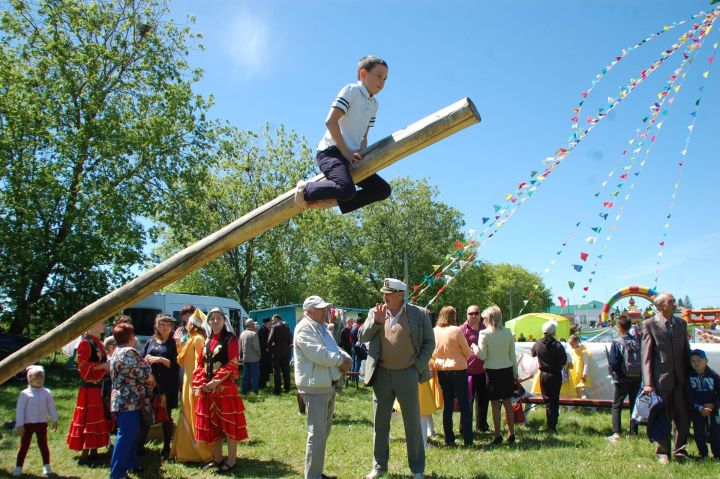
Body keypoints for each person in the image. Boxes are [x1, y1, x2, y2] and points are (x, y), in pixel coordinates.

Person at [295, 56, 391, 214]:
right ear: (363, 74)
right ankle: (305, 189)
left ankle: (342, 201)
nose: (382, 82)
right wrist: (346, 152)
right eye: (379, 76)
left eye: (385, 79)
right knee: (346, 189)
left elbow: (363, 137)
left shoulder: (374, 105)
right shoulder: (352, 90)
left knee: (383, 190)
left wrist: (360, 153)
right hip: (331, 152)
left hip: (351, 157)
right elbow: (330, 121)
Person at [359, 278, 434, 479]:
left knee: (412, 424)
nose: (384, 297)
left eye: (388, 294)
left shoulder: (419, 314)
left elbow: (429, 343)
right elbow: (362, 336)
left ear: (400, 295)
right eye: (384, 293)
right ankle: (378, 467)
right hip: (381, 374)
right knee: (380, 423)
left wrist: (417, 367)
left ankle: (417, 469)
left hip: (408, 374)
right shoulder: (375, 312)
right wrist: (376, 322)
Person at [294, 295, 352, 479]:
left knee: (322, 433)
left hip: (325, 385)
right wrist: (342, 360)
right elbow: (319, 354)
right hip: (315, 387)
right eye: (322, 308)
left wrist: (344, 356)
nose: (326, 311)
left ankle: (316, 472)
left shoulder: (320, 327)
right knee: (316, 434)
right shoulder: (304, 329)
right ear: (310, 311)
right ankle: (312, 476)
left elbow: (332, 347)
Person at [193, 307, 248, 473]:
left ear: (225, 321)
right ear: (208, 322)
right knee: (212, 425)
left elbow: (232, 363)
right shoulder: (207, 340)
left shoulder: (231, 339)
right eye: (212, 318)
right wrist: (201, 382)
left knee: (229, 425)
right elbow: (201, 364)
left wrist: (215, 382)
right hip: (208, 390)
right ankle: (217, 459)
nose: (215, 321)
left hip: (224, 390)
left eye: (218, 318)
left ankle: (231, 461)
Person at [641, 292, 690, 464]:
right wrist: (648, 383)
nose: (674, 304)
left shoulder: (681, 324)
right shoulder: (649, 324)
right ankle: (663, 452)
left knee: (682, 417)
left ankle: (680, 450)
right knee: (663, 416)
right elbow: (646, 357)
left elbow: (687, 351)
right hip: (661, 381)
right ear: (661, 305)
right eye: (671, 301)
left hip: (681, 380)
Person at [108, 322, 154, 479]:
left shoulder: (116, 351)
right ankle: (117, 473)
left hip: (120, 399)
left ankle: (131, 463)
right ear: (131, 336)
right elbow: (143, 373)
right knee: (126, 435)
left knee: (132, 434)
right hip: (129, 401)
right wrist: (150, 376)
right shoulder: (129, 352)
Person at [170, 308, 213, 462]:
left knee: (194, 414)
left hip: (194, 383)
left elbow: (199, 363)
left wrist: (198, 383)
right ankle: (186, 451)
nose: (186, 323)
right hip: (187, 382)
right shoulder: (191, 339)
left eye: (189, 322)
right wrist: (177, 342)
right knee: (187, 413)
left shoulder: (197, 339)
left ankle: (199, 452)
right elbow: (181, 359)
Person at [67, 319, 111, 464]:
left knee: (99, 415)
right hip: (89, 388)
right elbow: (82, 367)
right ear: (92, 324)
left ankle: (94, 449)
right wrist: (103, 366)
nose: (104, 325)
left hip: (99, 386)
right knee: (90, 417)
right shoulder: (85, 343)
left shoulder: (99, 342)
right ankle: (85, 451)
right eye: (102, 322)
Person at [473, 305, 518, 445]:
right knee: (508, 404)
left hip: (492, 372)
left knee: (495, 405)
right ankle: (512, 433)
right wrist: (515, 374)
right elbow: (513, 356)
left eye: (484, 318)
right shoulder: (508, 332)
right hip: (507, 371)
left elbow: (482, 355)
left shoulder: (484, 334)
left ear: (490, 318)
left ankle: (498, 435)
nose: (483, 320)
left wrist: (474, 347)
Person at [139, 314, 179, 459]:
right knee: (146, 415)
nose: (165, 326)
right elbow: (142, 359)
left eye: (168, 324)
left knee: (166, 416)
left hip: (167, 385)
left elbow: (176, 364)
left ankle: (166, 447)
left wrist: (160, 359)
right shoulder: (150, 342)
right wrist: (147, 361)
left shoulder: (174, 343)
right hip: (151, 384)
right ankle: (140, 447)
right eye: (162, 324)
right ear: (156, 326)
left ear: (172, 327)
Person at [432, 305, 473, 447]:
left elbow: (432, 352)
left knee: (448, 405)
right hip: (458, 369)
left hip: (442, 369)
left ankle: (449, 438)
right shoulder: (456, 330)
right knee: (464, 404)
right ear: (453, 316)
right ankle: (468, 439)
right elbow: (467, 352)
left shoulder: (435, 331)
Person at [13, 365, 58, 478]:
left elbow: (51, 406)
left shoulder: (46, 392)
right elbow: (20, 410)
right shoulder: (24, 394)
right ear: (30, 379)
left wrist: (54, 419)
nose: (40, 380)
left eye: (42, 378)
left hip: (42, 423)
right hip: (28, 424)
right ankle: (18, 466)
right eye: (37, 378)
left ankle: (46, 465)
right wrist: (19, 425)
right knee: (24, 445)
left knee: (43, 444)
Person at [606, 316, 642, 442]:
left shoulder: (617, 342)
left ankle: (617, 433)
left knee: (617, 405)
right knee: (634, 405)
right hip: (637, 377)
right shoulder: (636, 341)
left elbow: (614, 361)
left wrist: (614, 372)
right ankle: (634, 432)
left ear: (619, 327)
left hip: (622, 379)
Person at [531, 320, 567, 433]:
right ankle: (552, 425)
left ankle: (550, 425)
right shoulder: (558, 345)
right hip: (555, 375)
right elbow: (563, 361)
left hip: (543, 375)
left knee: (547, 401)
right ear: (554, 332)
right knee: (554, 400)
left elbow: (532, 353)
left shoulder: (538, 343)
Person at [460, 304, 490, 432]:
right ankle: (464, 428)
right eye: (471, 313)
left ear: (480, 314)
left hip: (484, 371)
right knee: (467, 402)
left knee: (483, 401)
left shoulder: (486, 328)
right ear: (467, 315)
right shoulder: (461, 329)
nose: (474, 315)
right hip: (467, 371)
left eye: (476, 313)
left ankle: (481, 426)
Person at [686, 349, 720, 459]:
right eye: (693, 361)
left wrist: (713, 404)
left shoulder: (714, 375)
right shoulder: (689, 377)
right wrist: (699, 407)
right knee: (699, 432)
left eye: (699, 360)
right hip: (697, 410)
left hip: (712, 409)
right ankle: (703, 454)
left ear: (706, 361)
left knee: (715, 431)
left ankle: (717, 454)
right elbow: (689, 395)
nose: (696, 363)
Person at [268, 314, 293, 395]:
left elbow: (269, 341)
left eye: (273, 319)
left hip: (277, 353)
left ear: (276, 319)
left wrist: (271, 350)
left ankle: (277, 390)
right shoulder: (287, 327)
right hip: (286, 353)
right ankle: (287, 388)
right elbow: (290, 341)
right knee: (286, 371)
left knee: (277, 372)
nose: (272, 321)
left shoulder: (274, 327)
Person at [239, 319, 262, 395]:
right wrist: (259, 354)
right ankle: (255, 390)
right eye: (253, 324)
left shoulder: (242, 334)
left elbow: (240, 347)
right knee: (255, 375)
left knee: (246, 375)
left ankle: (244, 390)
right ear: (251, 325)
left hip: (245, 358)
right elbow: (256, 346)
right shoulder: (253, 334)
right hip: (254, 358)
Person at [568, 335, 591, 399]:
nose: (571, 346)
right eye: (570, 344)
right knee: (577, 391)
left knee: (585, 391)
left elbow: (586, 363)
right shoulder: (573, 352)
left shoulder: (583, 351)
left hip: (582, 375)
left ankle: (593, 407)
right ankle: (579, 406)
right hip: (574, 374)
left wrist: (584, 374)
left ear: (577, 342)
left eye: (572, 344)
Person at [259, 317, 273, 389]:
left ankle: (267, 384)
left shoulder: (268, 329)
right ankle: (262, 384)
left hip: (268, 353)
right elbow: (262, 342)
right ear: (266, 323)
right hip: (264, 352)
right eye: (269, 323)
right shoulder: (262, 330)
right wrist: (267, 347)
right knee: (263, 369)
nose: (270, 324)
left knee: (267, 369)